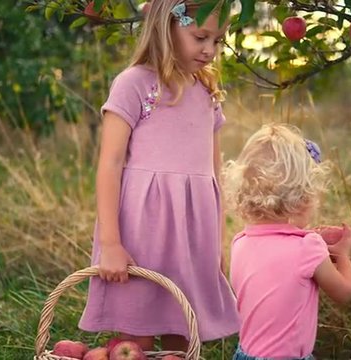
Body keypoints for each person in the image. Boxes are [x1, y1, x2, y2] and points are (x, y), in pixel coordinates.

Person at [78, 0, 240, 352]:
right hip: (141, 233)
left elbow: (213, 175)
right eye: (200, 37)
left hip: (192, 233)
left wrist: (218, 242)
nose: (210, 50)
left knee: (182, 331)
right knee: (134, 336)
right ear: (168, 27)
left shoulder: (208, 94)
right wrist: (111, 243)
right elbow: (110, 163)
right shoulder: (134, 84)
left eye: (218, 40)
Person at [224, 123, 351, 360]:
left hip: (245, 355)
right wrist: (344, 253)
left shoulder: (240, 242)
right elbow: (345, 292)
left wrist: (310, 238)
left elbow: (277, 267)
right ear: (303, 197)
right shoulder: (308, 248)